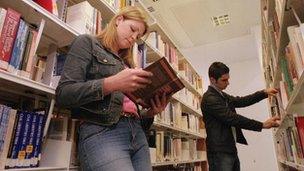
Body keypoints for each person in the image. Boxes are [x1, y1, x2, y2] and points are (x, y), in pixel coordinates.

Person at [56, 6, 169, 171]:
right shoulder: (87, 43)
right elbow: (63, 94)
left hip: (137, 133)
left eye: (137, 36)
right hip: (103, 131)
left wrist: (150, 113)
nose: (133, 38)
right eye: (132, 29)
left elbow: (129, 109)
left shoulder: (129, 64)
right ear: (119, 20)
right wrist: (111, 84)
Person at [201, 62, 280, 171]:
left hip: (229, 149)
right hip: (219, 153)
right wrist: (261, 125)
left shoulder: (222, 95)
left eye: (228, 79)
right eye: (224, 80)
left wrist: (264, 93)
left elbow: (241, 101)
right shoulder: (210, 98)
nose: (228, 83)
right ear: (213, 80)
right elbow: (232, 118)